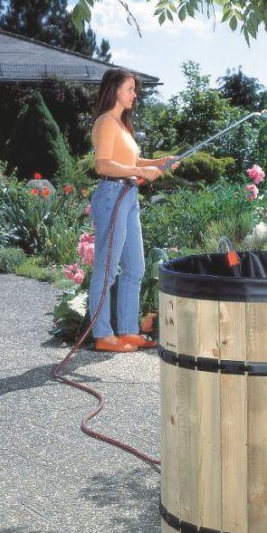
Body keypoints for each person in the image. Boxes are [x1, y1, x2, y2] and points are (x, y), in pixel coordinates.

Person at [89, 68, 178, 352]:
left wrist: (159, 162)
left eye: (135, 90)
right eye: (129, 89)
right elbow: (103, 164)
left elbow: (133, 161)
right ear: (115, 90)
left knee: (135, 267)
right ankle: (103, 335)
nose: (134, 94)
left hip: (128, 196)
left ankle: (127, 331)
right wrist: (140, 171)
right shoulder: (105, 122)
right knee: (107, 269)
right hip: (111, 195)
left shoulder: (122, 125)